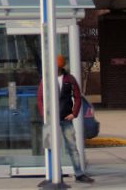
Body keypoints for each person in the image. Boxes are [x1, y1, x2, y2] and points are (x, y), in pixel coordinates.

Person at [37, 55, 94, 184]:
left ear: (61, 67)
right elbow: (40, 97)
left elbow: (78, 97)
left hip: (66, 118)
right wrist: (44, 115)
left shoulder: (69, 79)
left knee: (72, 147)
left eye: (57, 67)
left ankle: (79, 174)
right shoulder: (46, 80)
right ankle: (54, 175)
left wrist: (74, 113)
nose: (55, 69)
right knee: (51, 147)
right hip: (51, 120)